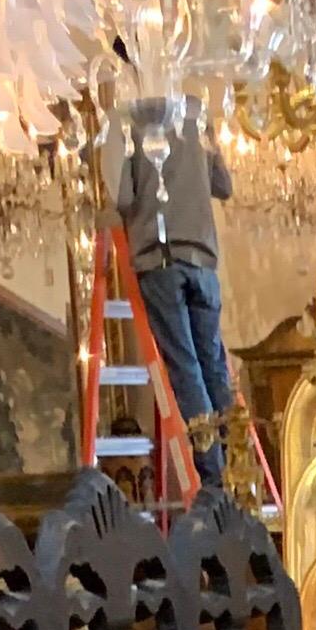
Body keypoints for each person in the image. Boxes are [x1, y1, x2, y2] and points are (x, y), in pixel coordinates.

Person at [111, 95, 236, 485]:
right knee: (214, 365)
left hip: (161, 259)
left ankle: (214, 477)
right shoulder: (198, 112)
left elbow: (123, 198)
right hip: (204, 262)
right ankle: (237, 465)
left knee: (187, 370)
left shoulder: (125, 120)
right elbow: (223, 185)